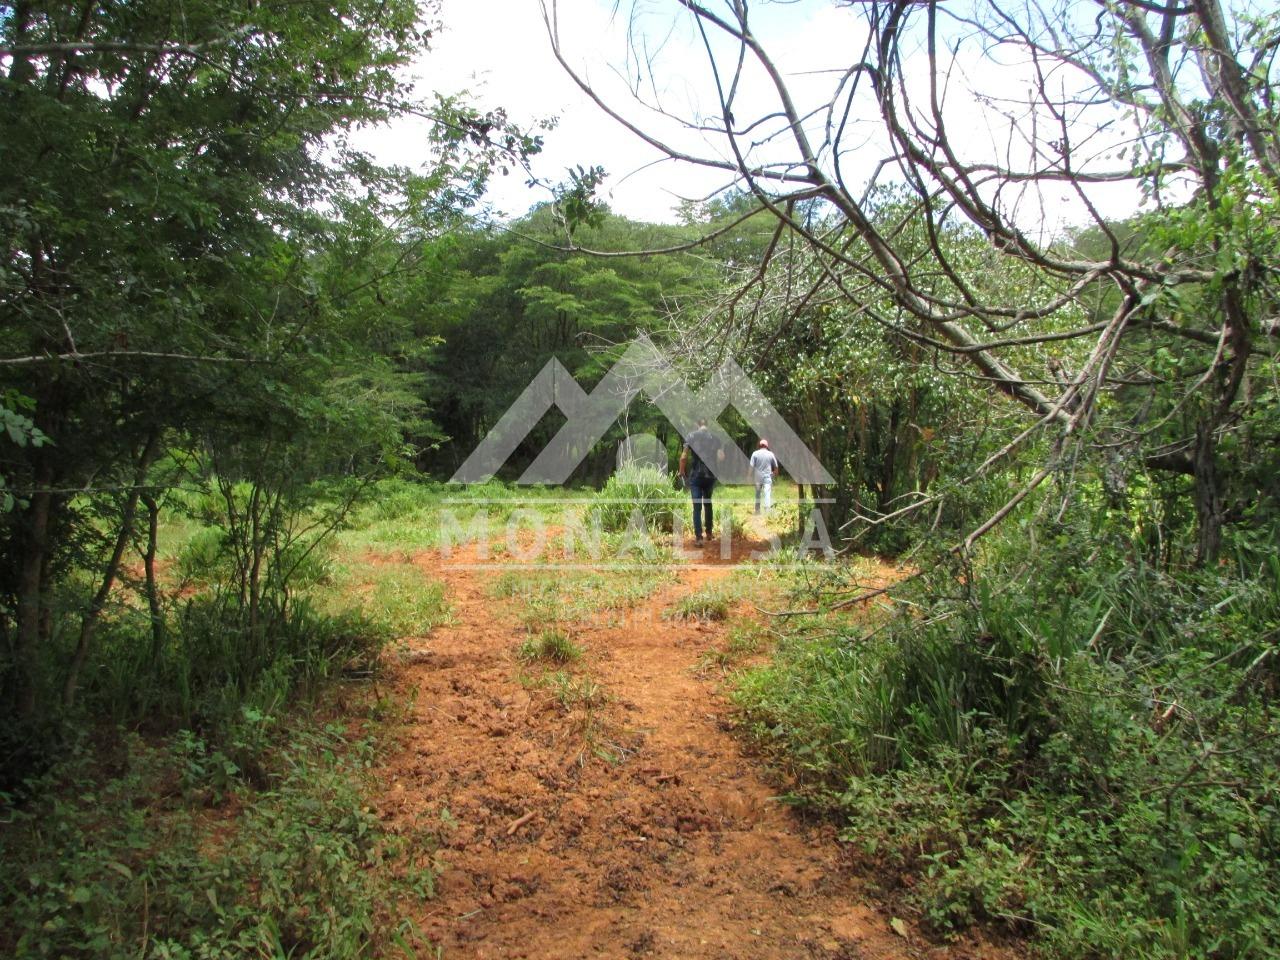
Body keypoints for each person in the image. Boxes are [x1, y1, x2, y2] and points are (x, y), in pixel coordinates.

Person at [678, 419, 723, 544]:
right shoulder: (715, 438)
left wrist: (681, 471)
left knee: (697, 507)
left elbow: (684, 456)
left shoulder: (691, 436)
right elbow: (721, 457)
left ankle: (698, 537)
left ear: (697, 425)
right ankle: (709, 533)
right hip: (710, 476)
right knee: (708, 503)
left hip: (696, 476)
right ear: (706, 425)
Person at [749, 438, 780, 514]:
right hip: (767, 476)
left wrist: (748, 476)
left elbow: (751, 467)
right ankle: (767, 510)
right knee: (767, 493)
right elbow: (776, 467)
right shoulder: (771, 454)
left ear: (759, 445)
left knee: (758, 493)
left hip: (758, 477)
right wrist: (775, 474)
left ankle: (757, 510)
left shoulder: (755, 453)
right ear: (767, 446)